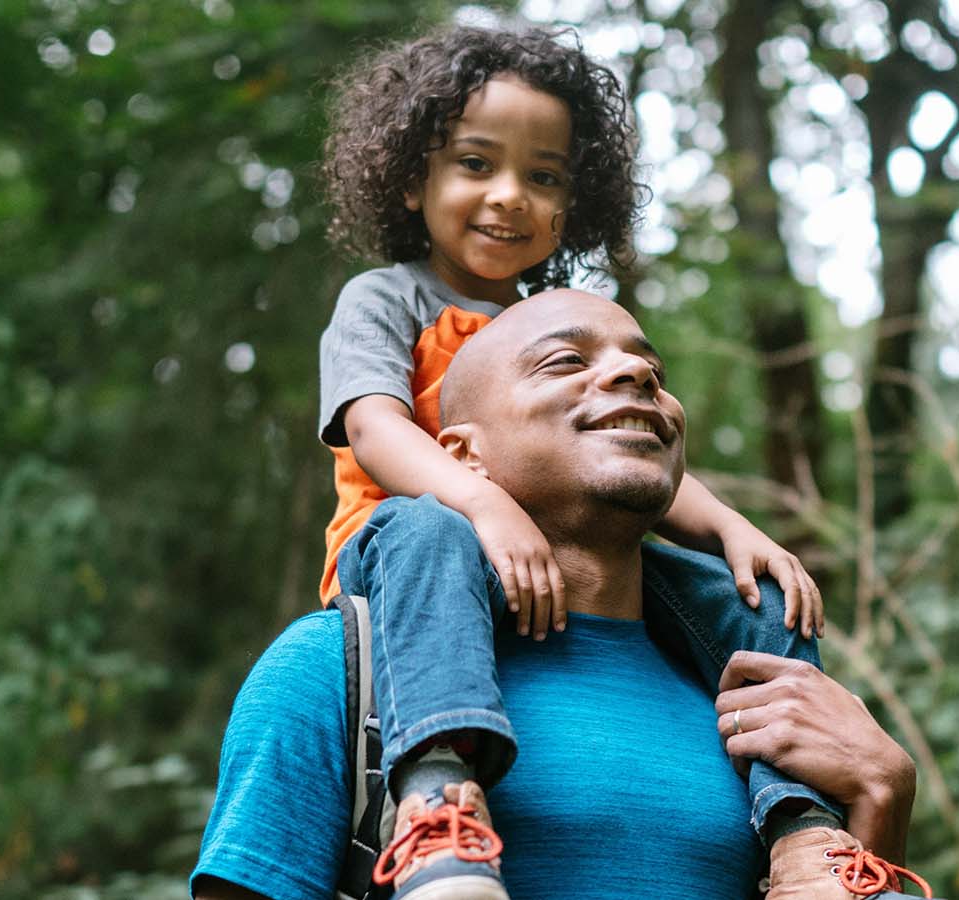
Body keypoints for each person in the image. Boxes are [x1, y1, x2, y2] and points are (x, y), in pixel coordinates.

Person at [305, 24, 861, 898]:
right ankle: (437, 798)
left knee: (755, 598)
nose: (510, 196)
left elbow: (623, 441)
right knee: (425, 527)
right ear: (413, 180)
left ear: (574, 205)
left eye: (545, 176)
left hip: (556, 562)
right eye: (477, 164)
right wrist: (482, 505)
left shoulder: (562, 318)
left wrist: (730, 530)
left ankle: (805, 830)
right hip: (415, 565)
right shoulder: (387, 299)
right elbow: (374, 428)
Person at [193, 291, 931, 900]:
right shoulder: (333, 672)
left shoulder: (764, 694)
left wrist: (881, 801)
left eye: (651, 369)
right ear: (460, 455)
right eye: (565, 361)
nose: (636, 377)